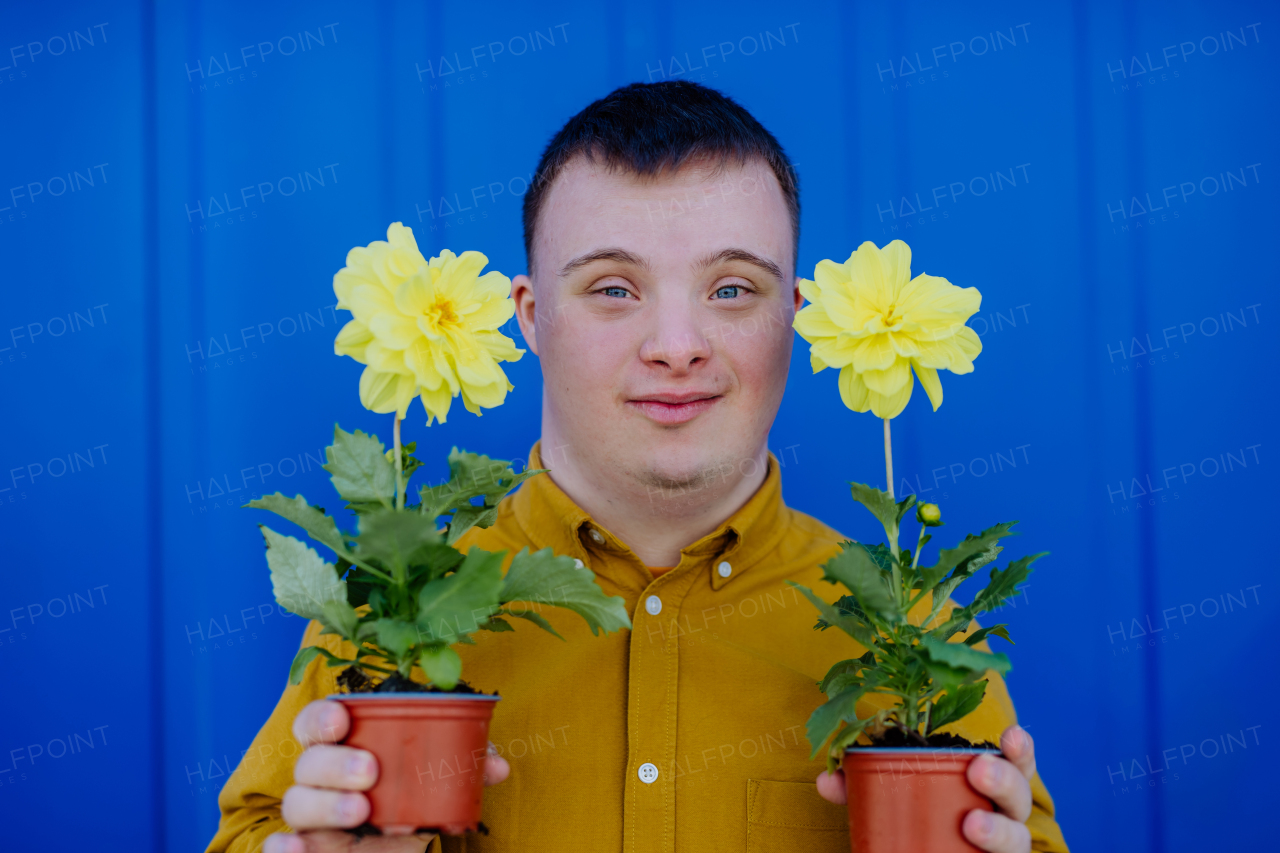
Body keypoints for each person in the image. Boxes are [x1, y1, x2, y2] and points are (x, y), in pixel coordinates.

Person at [208, 81, 1068, 853]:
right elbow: (255, 828)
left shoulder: (914, 634)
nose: (676, 348)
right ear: (531, 316)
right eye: (614, 289)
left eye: (732, 288)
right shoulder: (388, 619)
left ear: (794, 318)